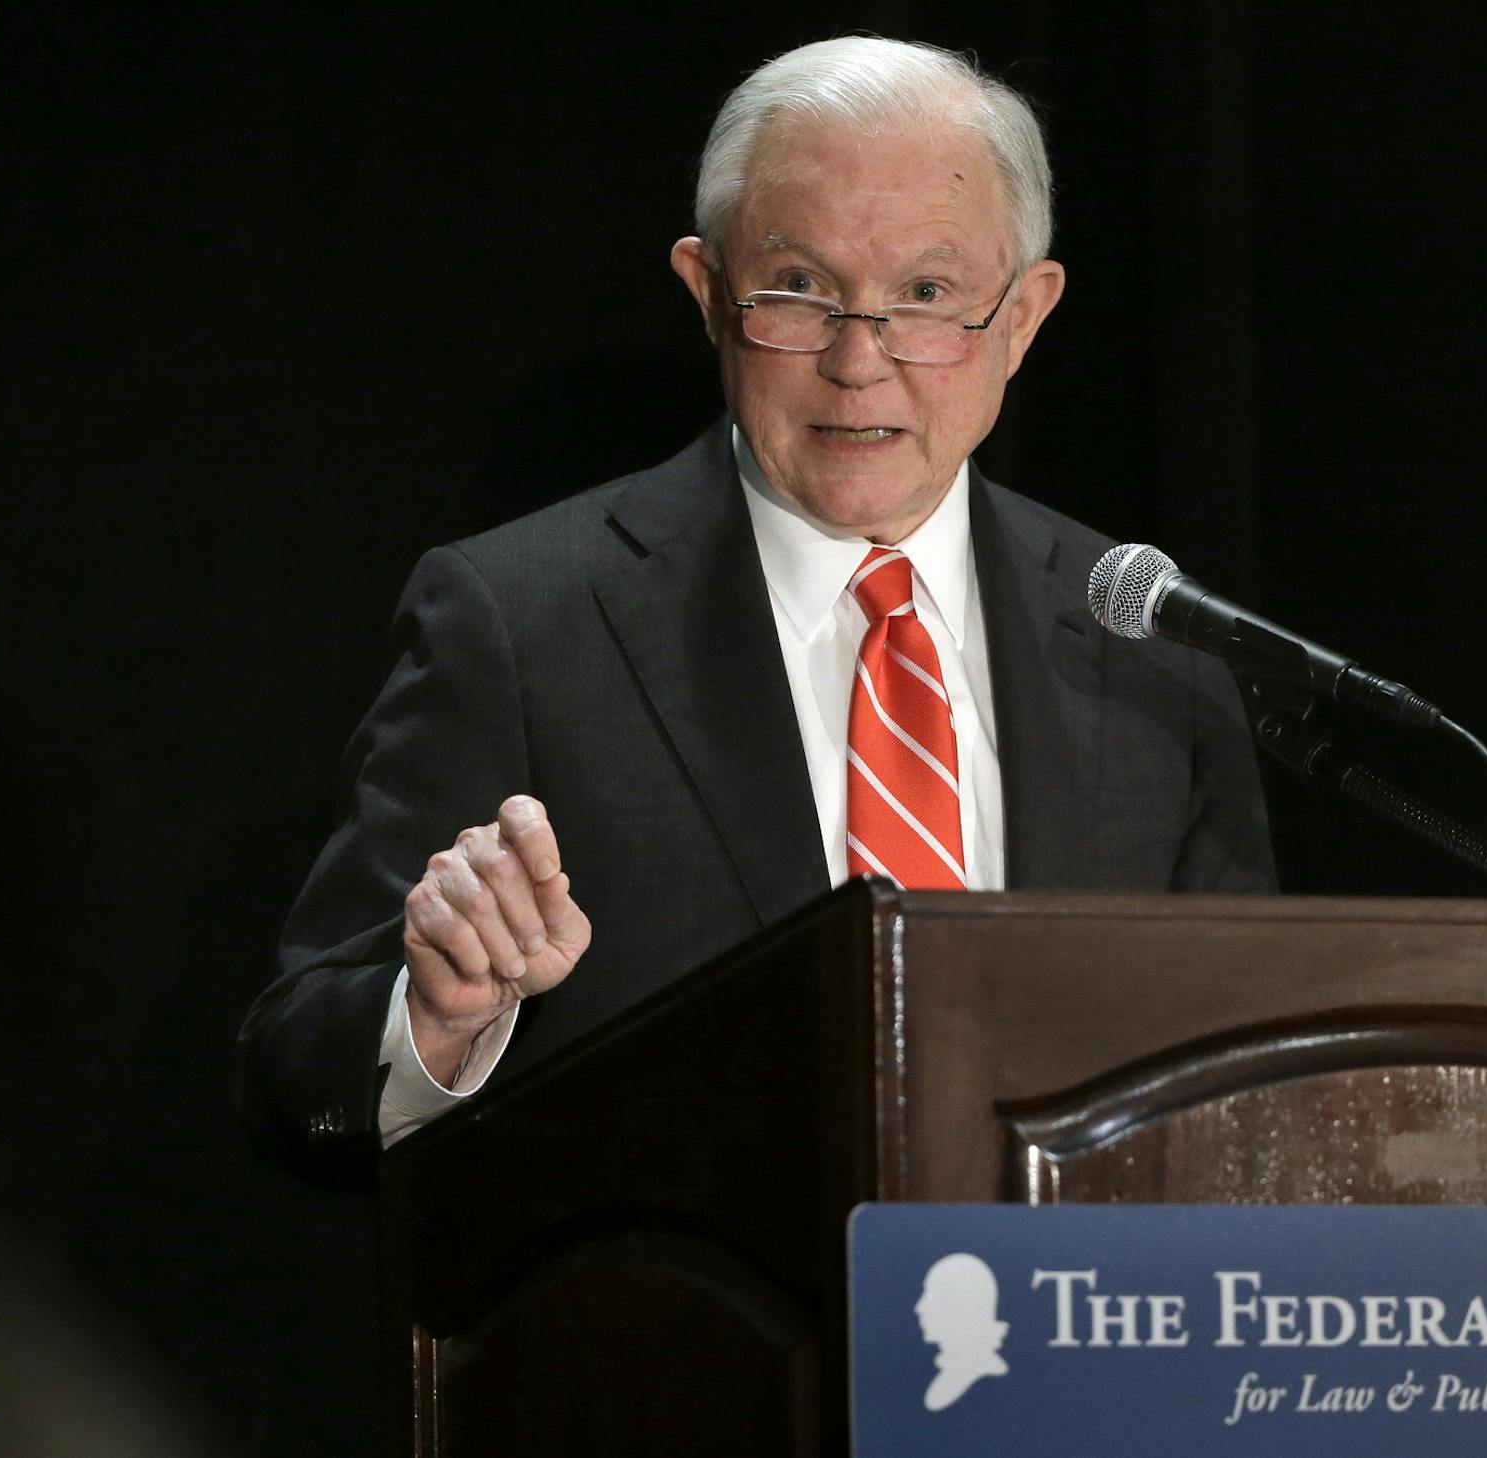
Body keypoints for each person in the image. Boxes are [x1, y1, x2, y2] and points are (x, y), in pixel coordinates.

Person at [238, 37, 1276, 1184]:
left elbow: (1251, 1084)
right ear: (708, 293)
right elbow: (297, 1078)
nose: (858, 361)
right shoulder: (522, 622)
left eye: (926, 296)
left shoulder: (1157, 645)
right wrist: (436, 1025)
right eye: (800, 291)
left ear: (1024, 316)